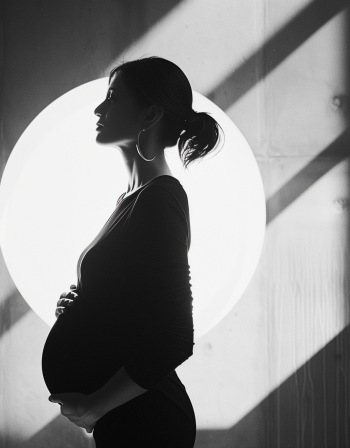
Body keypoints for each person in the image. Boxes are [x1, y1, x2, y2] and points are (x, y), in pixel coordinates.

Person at [41, 57, 222, 447]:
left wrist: (95, 408)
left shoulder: (161, 199)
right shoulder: (131, 199)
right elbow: (134, 314)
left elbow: (175, 335)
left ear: (150, 113)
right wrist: (83, 313)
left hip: (149, 423)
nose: (98, 109)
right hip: (125, 419)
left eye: (113, 98)